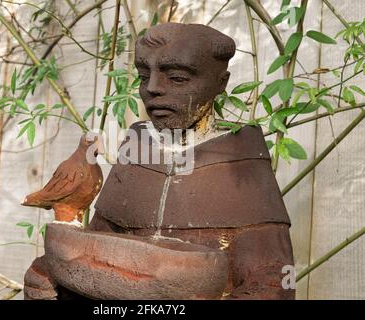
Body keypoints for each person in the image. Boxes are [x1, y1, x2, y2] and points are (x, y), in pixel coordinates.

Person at [24, 23, 295, 300]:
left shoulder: (241, 163)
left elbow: (273, 284)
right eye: (143, 76)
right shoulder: (137, 148)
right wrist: (50, 278)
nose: (152, 88)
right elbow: (95, 256)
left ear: (220, 83)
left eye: (177, 78)